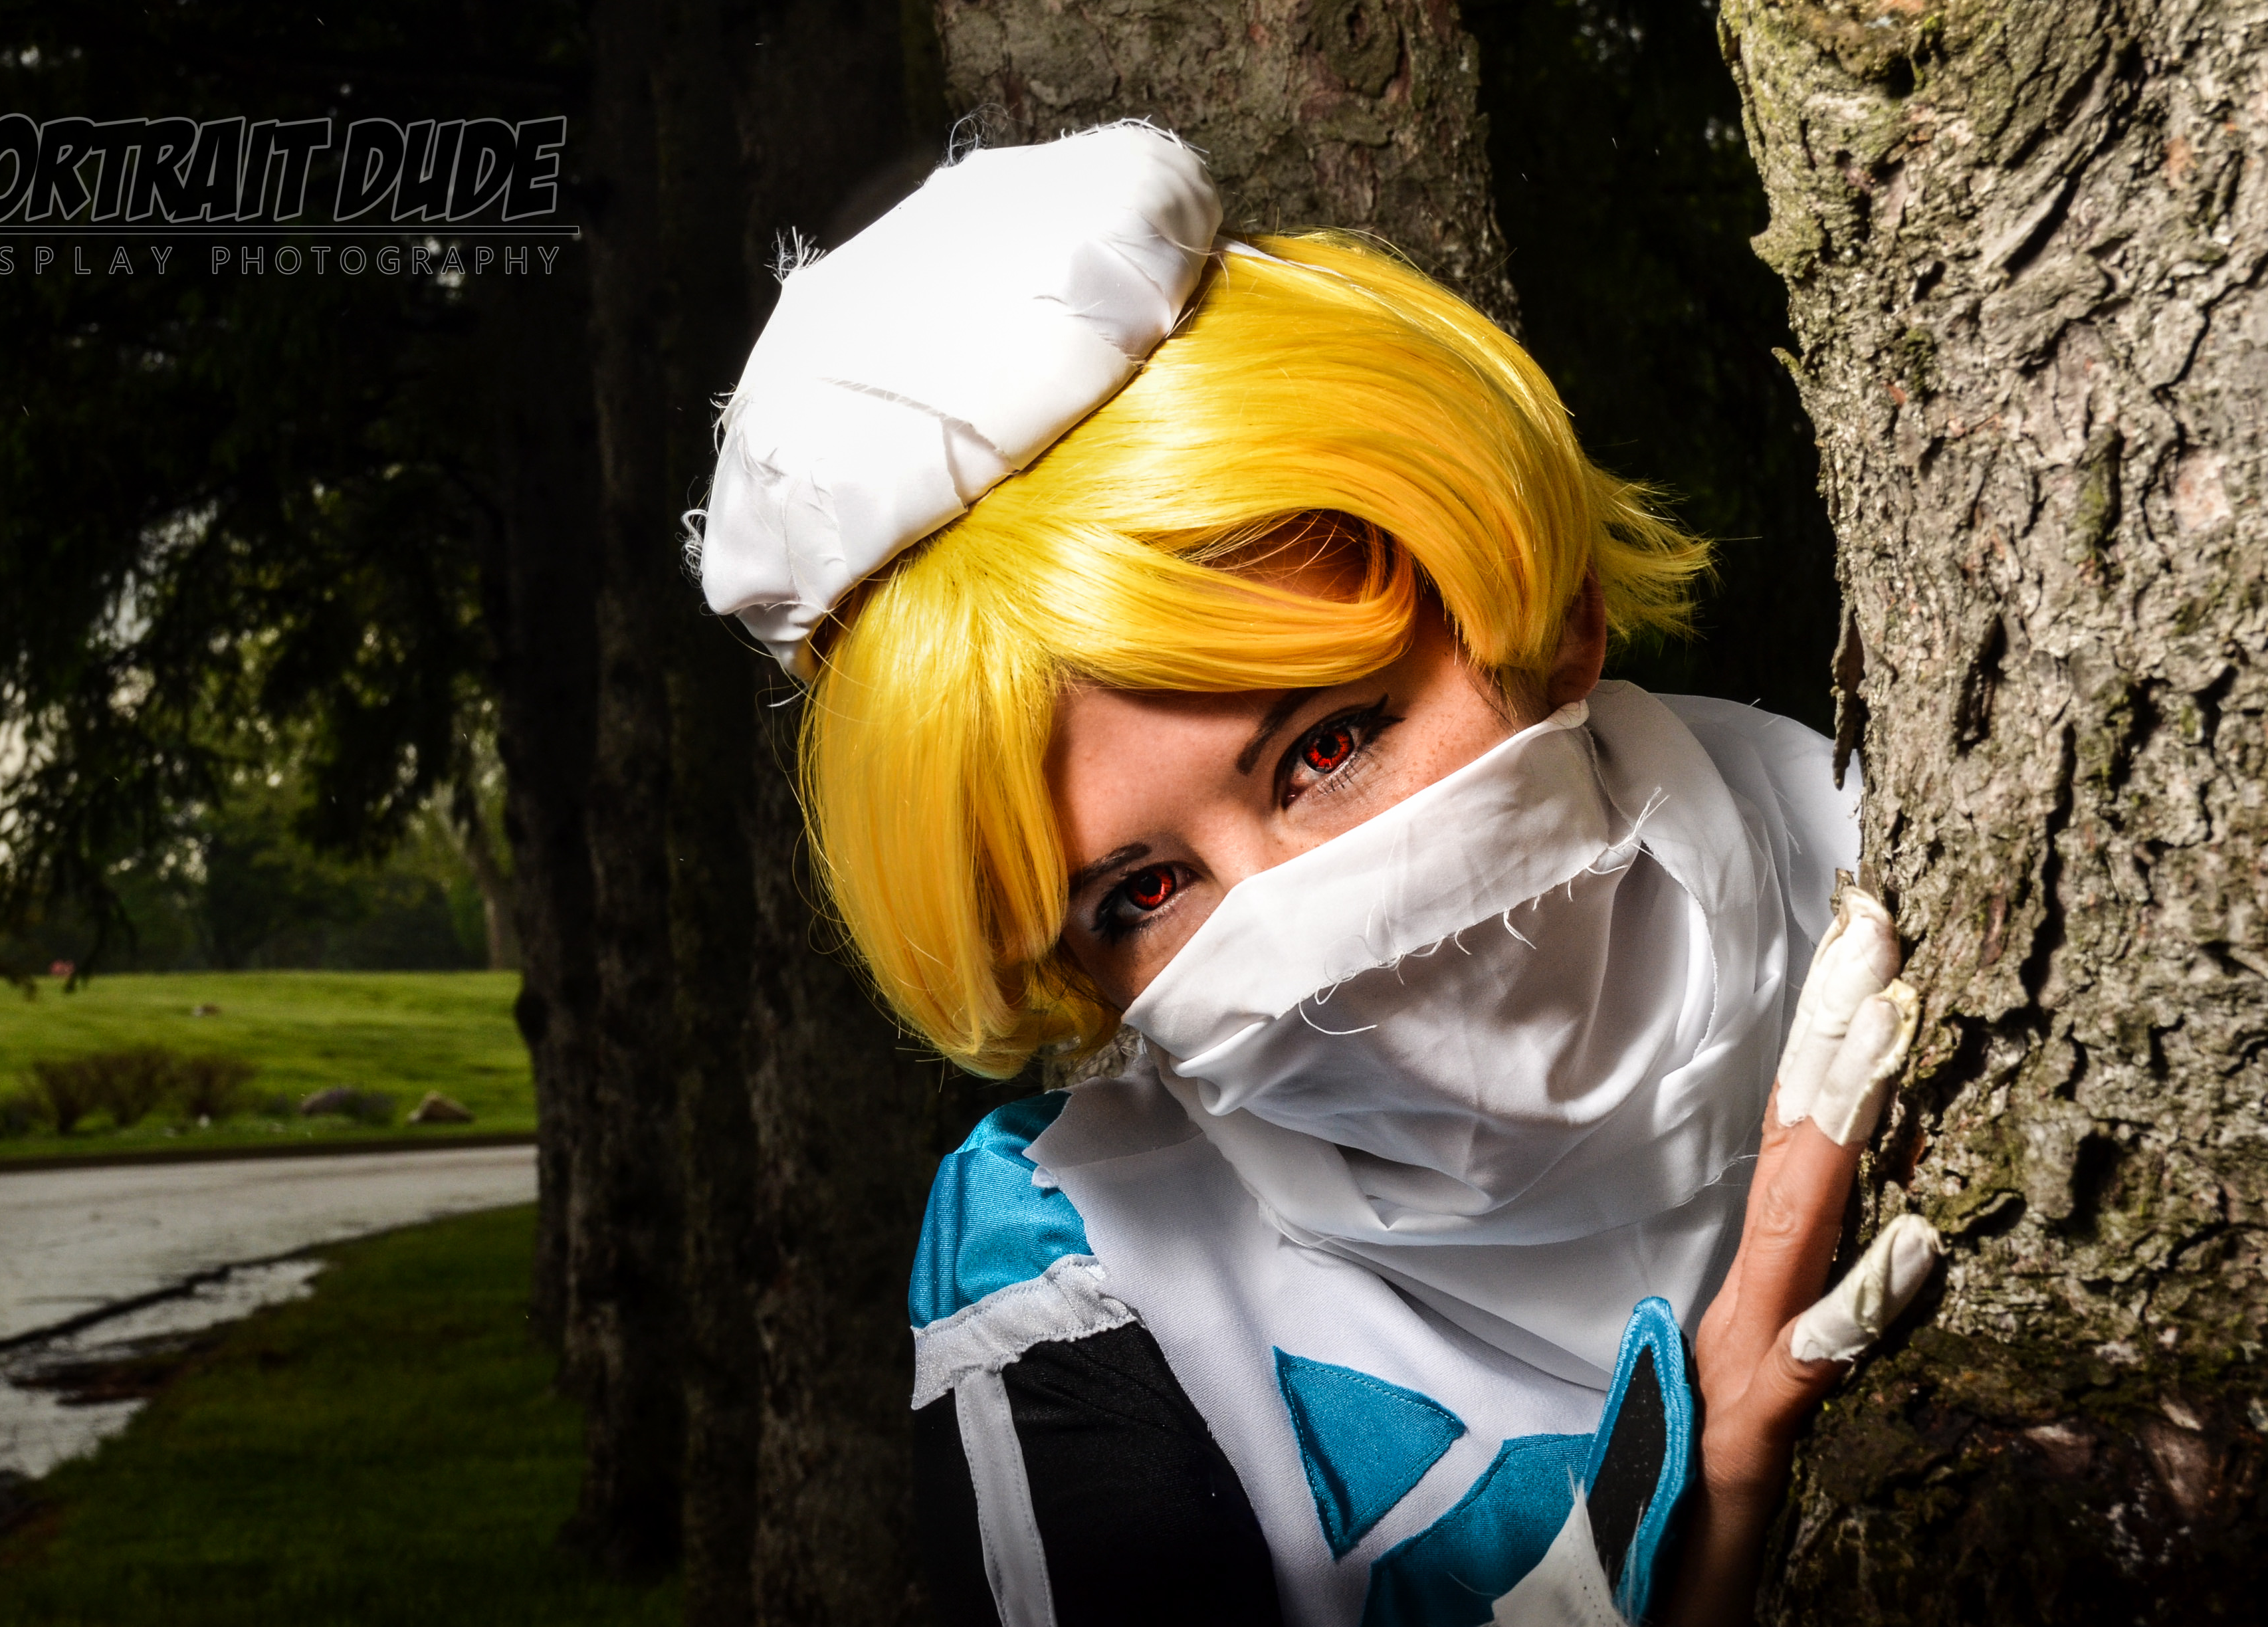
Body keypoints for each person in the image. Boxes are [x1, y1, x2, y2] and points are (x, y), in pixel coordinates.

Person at [696, 124, 1940, 1626]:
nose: (1293, 932)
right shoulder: (1082, 1260)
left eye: (1327, 746)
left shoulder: (1917, 864)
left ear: (1550, 620)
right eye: (1140, 894)